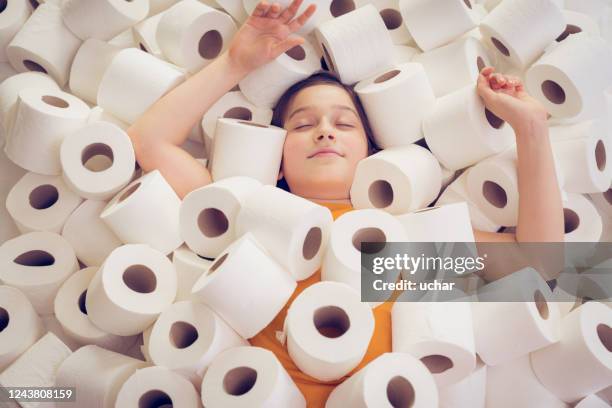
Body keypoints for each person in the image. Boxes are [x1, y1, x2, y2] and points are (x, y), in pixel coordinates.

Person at [127, 0, 564, 404]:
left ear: (370, 154)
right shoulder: (245, 216)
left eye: (344, 123)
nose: (325, 131)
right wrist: (234, 63)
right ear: (275, 158)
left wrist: (531, 129)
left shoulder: (412, 238)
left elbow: (540, 266)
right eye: (302, 125)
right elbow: (147, 142)